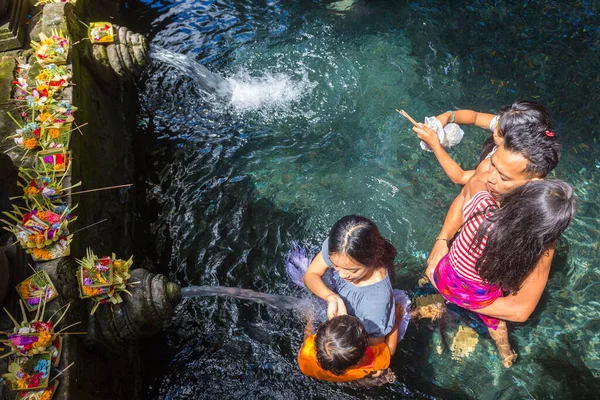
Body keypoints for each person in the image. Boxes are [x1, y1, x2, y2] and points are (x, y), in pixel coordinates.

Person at [428, 176, 575, 367]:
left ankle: (426, 307)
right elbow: (519, 308)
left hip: (444, 276)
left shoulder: (483, 211)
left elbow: (473, 183)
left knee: (431, 292)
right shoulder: (533, 252)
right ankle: (505, 351)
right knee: (496, 322)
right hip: (480, 295)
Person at [302, 215, 398, 344]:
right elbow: (311, 275)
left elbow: (374, 343)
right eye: (335, 266)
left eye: (352, 270)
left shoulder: (377, 303)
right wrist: (331, 297)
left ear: (372, 260)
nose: (342, 275)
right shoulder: (341, 247)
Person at [414, 100, 554, 185]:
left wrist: (435, 145)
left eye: (498, 132)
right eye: (497, 123)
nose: (494, 129)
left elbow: (460, 177)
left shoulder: (498, 167)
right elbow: (475, 117)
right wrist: (447, 117)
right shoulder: (506, 125)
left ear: (514, 142)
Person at [297, 313, 401, 383]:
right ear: (362, 357)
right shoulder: (370, 360)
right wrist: (396, 319)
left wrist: (309, 321)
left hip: (324, 374)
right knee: (378, 373)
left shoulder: (306, 356)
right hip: (356, 374)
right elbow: (390, 351)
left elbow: (307, 337)